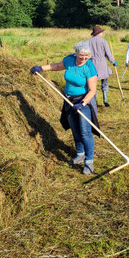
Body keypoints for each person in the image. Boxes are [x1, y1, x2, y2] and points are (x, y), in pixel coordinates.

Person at [30, 41, 98, 175]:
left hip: (84, 101)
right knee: (75, 128)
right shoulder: (69, 60)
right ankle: (80, 154)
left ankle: (89, 161)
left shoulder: (89, 67)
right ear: (76, 53)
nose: (83, 58)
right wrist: (41, 68)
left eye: (86, 56)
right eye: (81, 56)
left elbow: (92, 90)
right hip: (69, 99)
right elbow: (56, 66)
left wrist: (82, 103)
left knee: (85, 131)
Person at [87, 25, 117, 107]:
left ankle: (94, 101)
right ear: (99, 33)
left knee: (93, 84)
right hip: (102, 64)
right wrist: (113, 62)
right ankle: (105, 100)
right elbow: (108, 54)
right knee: (105, 82)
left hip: (92, 64)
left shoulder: (88, 42)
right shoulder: (103, 41)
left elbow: (86, 54)